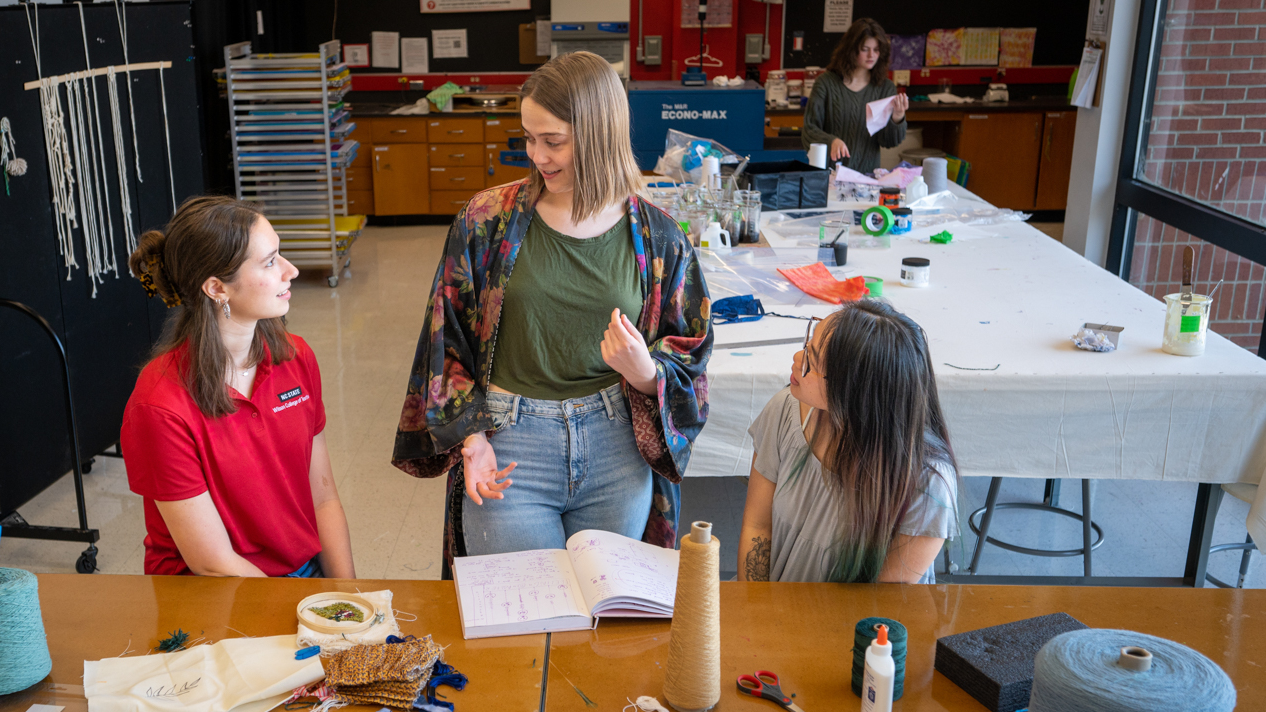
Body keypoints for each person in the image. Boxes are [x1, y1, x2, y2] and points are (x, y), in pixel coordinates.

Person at [392, 51, 712, 570]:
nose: (537, 156)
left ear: (600, 133)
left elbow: (693, 353)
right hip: (511, 447)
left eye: (553, 141)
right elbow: (442, 342)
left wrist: (650, 374)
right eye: (528, 138)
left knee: (603, 628)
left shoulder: (659, 239)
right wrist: (469, 438)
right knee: (517, 626)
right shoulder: (486, 222)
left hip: (616, 450)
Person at [120, 196, 355, 578]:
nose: (290, 271)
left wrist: (347, 601)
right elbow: (212, 564)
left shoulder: (296, 357)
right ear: (217, 288)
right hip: (212, 593)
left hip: (298, 572)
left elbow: (323, 498)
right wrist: (303, 618)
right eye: (270, 262)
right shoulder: (159, 404)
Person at [738, 299, 957, 583]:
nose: (796, 359)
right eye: (808, 345)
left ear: (856, 394)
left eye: (811, 362)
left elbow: (881, 607)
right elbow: (758, 527)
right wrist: (755, 611)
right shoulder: (786, 410)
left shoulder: (929, 486)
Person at [803, 18, 909, 174]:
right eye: (865, 49)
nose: (871, 55)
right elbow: (809, 130)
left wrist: (897, 118)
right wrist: (831, 141)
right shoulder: (826, 83)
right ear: (851, 49)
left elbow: (888, 141)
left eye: (876, 49)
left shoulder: (885, 88)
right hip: (830, 176)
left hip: (867, 178)